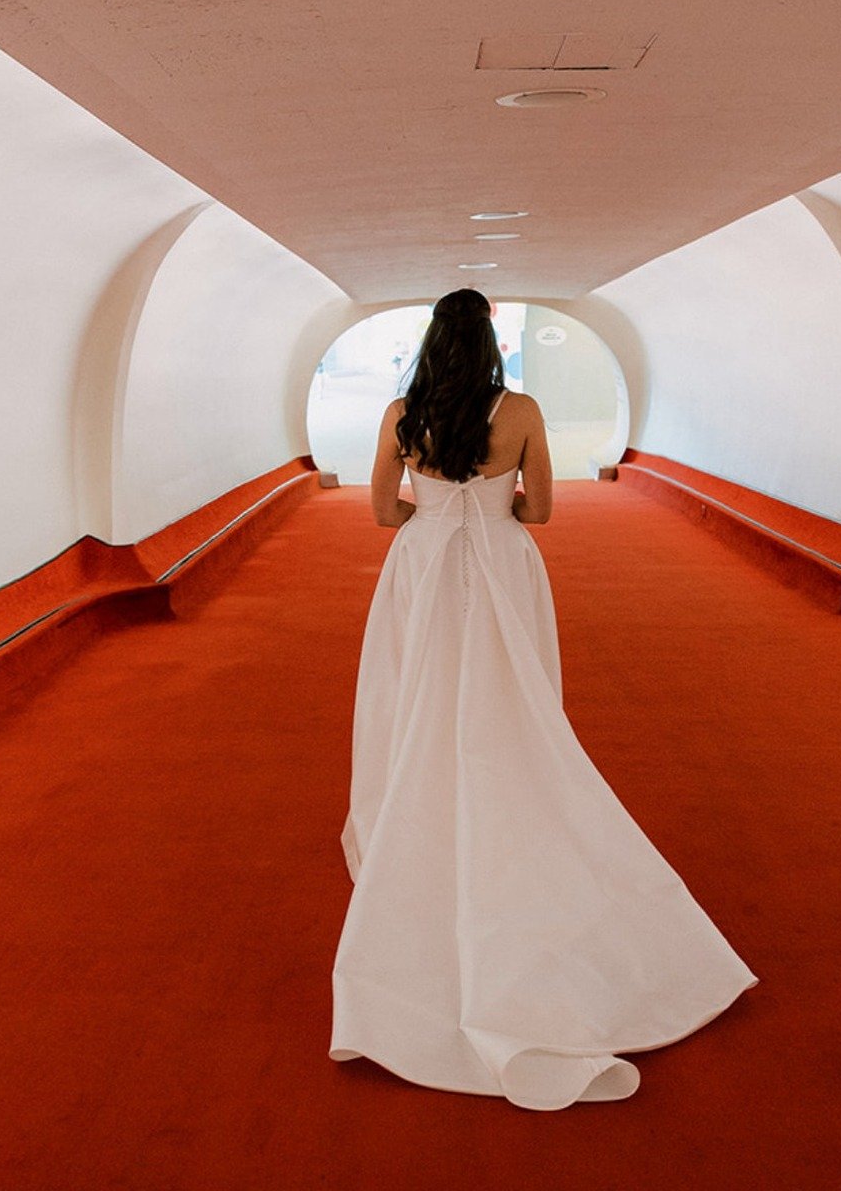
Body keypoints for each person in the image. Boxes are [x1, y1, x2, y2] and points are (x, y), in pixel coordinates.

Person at [328, 288, 758, 1111]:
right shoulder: (520, 407)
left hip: (421, 563)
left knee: (419, 690)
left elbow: (384, 511)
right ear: (489, 340)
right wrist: (494, 508)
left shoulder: (401, 411)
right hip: (501, 559)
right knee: (510, 695)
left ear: (431, 343)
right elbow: (546, 508)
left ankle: (419, 803)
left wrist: (438, 505)